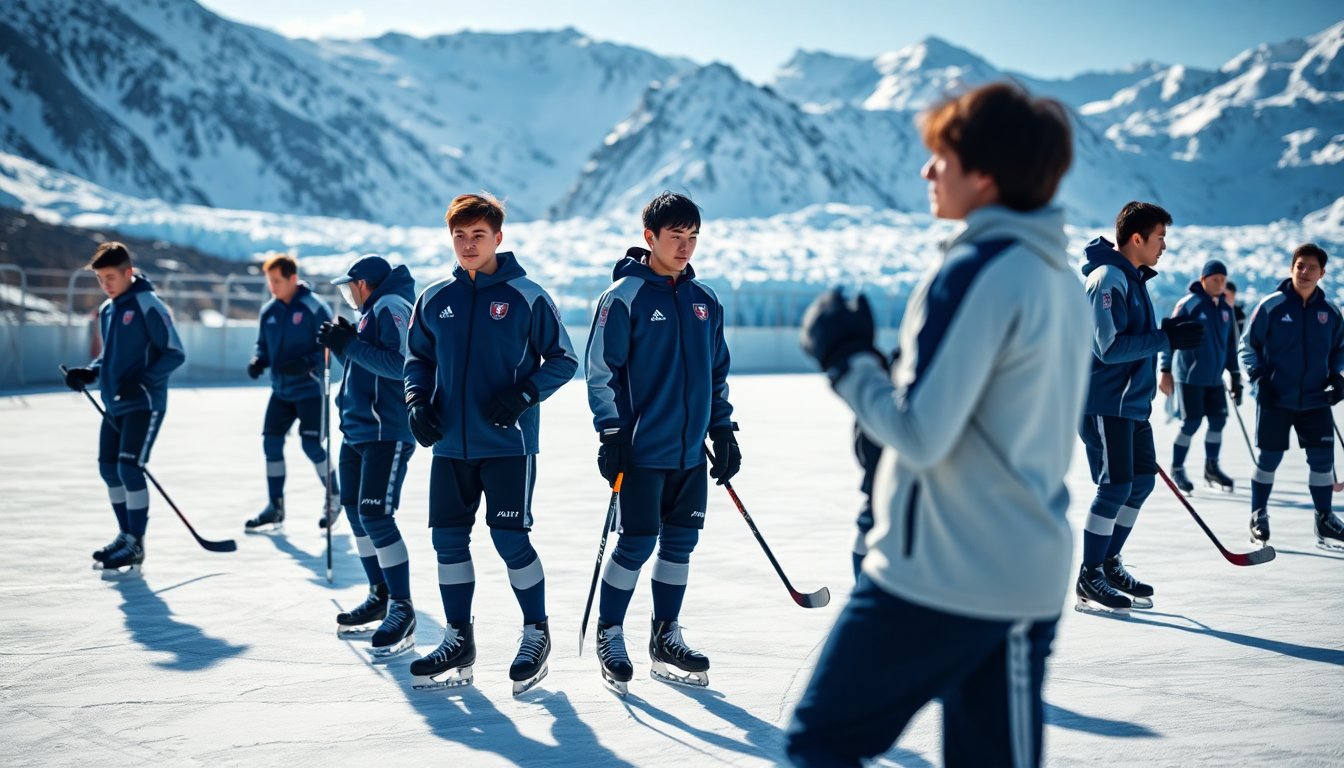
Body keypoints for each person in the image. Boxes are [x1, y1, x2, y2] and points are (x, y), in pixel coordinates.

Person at [787, 82, 1089, 767]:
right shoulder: (1058, 277)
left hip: (941, 574)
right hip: (1020, 573)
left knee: (820, 745)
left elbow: (922, 435)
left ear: (984, 174)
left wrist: (848, 361)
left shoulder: (976, 269)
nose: (927, 172)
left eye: (941, 159)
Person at [403, 193, 578, 695]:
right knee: (448, 542)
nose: (467, 245)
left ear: (498, 238)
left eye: (477, 235)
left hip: (508, 446)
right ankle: (458, 638)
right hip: (450, 449)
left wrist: (525, 393)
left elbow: (564, 360)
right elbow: (417, 359)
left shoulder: (527, 295)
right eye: (459, 236)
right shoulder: (436, 298)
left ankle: (536, 632)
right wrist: (416, 401)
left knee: (510, 541)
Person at [584, 191, 739, 695]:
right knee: (636, 542)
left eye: (693, 237)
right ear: (650, 237)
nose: (686, 247)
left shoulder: (705, 300)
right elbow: (601, 372)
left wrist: (723, 429)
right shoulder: (624, 297)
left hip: (691, 453)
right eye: (676, 237)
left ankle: (665, 635)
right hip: (642, 450)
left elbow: (716, 374)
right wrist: (611, 434)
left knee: (680, 544)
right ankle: (611, 632)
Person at [1076, 202, 1202, 614]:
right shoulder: (1108, 279)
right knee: (1114, 487)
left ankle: (1108, 564)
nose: (1164, 245)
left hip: (1131, 405)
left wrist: (1164, 336)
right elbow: (1108, 348)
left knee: (1141, 483)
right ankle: (1090, 573)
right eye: (1160, 237)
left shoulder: (1132, 279)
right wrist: (1165, 338)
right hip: (1105, 403)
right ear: (1137, 239)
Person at [316, 255, 419, 656]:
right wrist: (345, 345)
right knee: (358, 514)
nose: (349, 294)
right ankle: (380, 593)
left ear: (366, 284)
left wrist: (351, 345)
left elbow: (402, 364)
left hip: (385, 432)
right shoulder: (374, 310)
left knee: (375, 515)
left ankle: (402, 606)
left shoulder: (391, 306)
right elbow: (365, 367)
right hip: (358, 430)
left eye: (350, 286)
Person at [63, 242, 185, 576]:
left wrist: (144, 381)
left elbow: (174, 352)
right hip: (115, 403)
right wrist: (90, 372)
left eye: (110, 277)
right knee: (108, 468)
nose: (105, 284)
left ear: (128, 272)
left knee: (129, 468)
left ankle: (136, 543)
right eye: (101, 279)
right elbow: (111, 358)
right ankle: (125, 534)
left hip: (144, 404)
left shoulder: (148, 303)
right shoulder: (108, 309)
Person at [1239, 243, 1344, 551]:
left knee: (1323, 462)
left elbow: (1341, 348)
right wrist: (1259, 378)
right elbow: (1247, 346)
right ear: (1291, 268)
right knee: (1269, 459)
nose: (1305, 272)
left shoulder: (1330, 312)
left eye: (1312, 267)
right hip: (1276, 398)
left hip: (1315, 400)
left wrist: (1337, 376)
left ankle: (1324, 519)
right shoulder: (1272, 306)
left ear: (1322, 273)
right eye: (1300, 265)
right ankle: (1258, 514)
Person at [244, 254, 338, 533]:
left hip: (309, 390)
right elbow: (262, 345)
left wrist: (308, 363)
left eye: (276, 280)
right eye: (269, 281)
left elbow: (329, 347)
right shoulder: (269, 311)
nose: (272, 286)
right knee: (271, 444)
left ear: (292, 279)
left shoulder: (313, 307)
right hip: (281, 392)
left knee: (311, 445)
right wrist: (258, 360)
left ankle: (334, 495)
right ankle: (275, 506)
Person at [1158, 259, 1241, 492]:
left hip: (1215, 380)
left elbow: (1231, 345)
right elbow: (1169, 338)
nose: (1220, 283)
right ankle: (1177, 468)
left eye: (1223, 280)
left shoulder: (1225, 308)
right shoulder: (1189, 304)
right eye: (1215, 279)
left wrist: (1235, 376)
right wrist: (1165, 370)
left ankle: (1211, 468)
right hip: (1190, 377)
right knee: (1191, 423)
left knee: (1218, 421)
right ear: (1203, 279)